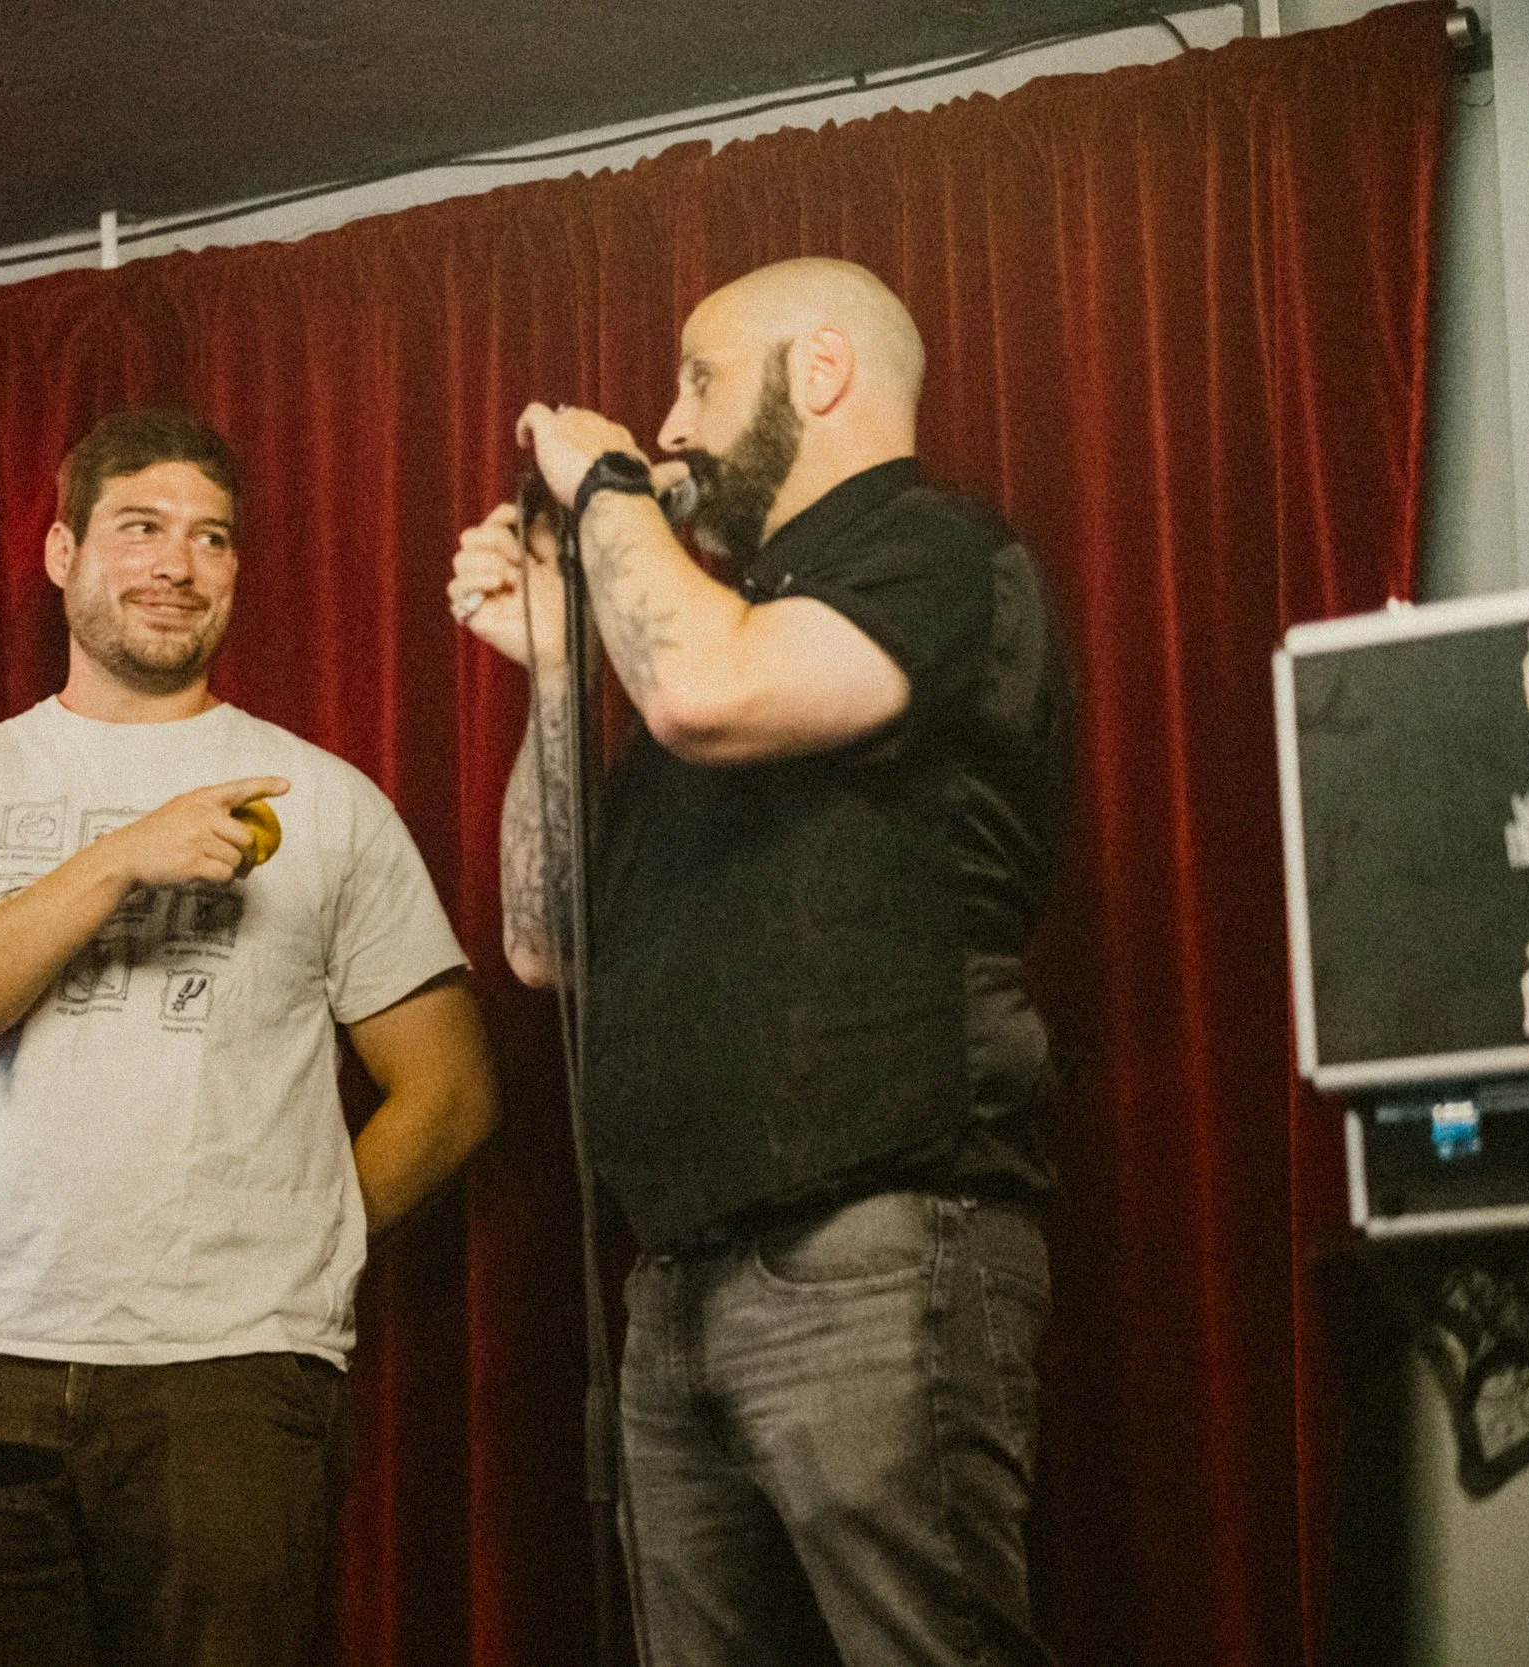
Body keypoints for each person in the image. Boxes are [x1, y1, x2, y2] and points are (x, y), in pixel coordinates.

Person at [449, 258, 1072, 1666]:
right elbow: (545, 946)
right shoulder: (726, 620)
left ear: (823, 373)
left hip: (873, 1252)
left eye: (700, 379)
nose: (671, 424)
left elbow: (702, 687)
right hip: (678, 1279)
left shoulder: (934, 550)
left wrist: (601, 481)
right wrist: (557, 669)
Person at [0, 407, 498, 1667]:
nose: (177, 564)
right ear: (60, 553)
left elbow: (454, 1090)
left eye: (211, 538)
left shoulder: (328, 803)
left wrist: (290, 1241)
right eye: (140, 528)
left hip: (233, 1371)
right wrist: (115, 862)